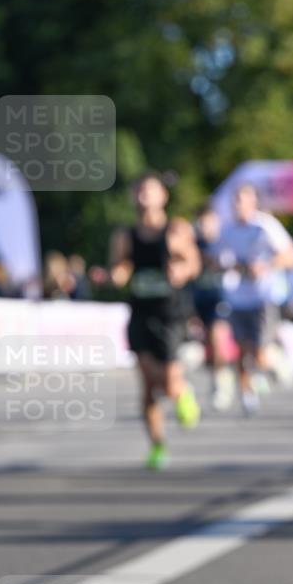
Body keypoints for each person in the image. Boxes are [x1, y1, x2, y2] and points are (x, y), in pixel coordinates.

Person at [107, 173, 202, 469]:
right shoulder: (125, 235)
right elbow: (120, 268)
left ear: (163, 196)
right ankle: (158, 446)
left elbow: (194, 262)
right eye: (138, 190)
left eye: (149, 190)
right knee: (148, 384)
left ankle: (182, 392)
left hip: (170, 314)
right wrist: (114, 276)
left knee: (169, 383)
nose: (143, 195)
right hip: (140, 313)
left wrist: (182, 271)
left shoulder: (175, 230)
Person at [216, 184, 293, 415]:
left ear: (253, 203)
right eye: (235, 201)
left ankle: (276, 361)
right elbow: (214, 259)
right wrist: (231, 266)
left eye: (243, 201)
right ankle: (247, 394)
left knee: (260, 355)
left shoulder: (265, 226)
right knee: (242, 352)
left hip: (263, 298)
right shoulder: (227, 229)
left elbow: (292, 256)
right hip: (237, 299)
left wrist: (265, 266)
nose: (238, 206)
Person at [192, 204, 235, 411]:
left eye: (208, 221)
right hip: (201, 298)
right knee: (207, 344)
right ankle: (219, 376)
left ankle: (221, 384)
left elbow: (232, 265)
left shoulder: (225, 242)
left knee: (218, 339)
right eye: (201, 222)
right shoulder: (193, 244)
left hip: (223, 298)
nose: (204, 226)